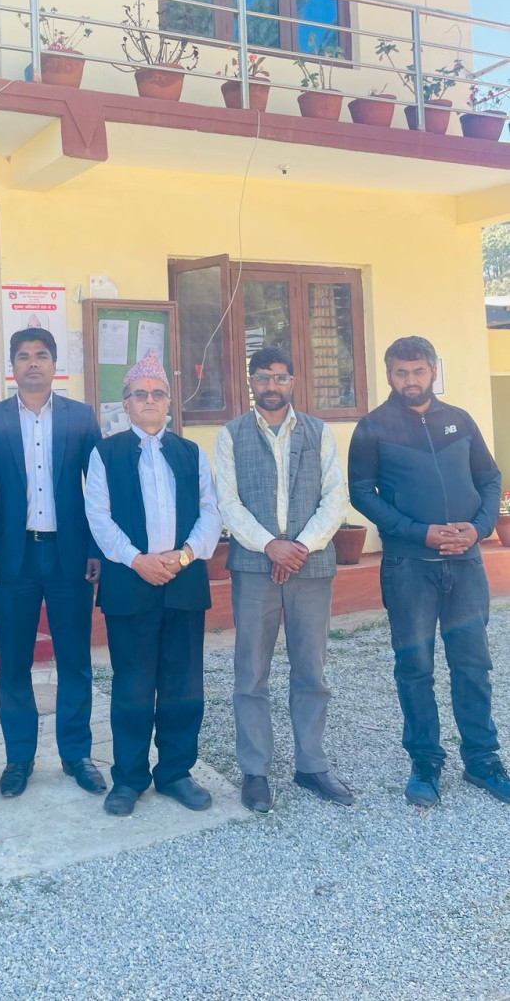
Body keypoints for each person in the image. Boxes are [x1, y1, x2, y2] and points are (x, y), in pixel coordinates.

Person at [348, 335, 510, 807]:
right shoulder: (372, 427)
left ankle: (482, 760)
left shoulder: (460, 420)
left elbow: (489, 478)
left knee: (473, 664)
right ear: (389, 374)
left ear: (433, 371)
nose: (411, 380)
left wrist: (478, 528)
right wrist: (420, 533)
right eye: (401, 373)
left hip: (466, 563)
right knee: (415, 668)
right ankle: (425, 762)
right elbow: (362, 493)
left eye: (418, 371)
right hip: (408, 567)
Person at [214, 346, 351, 814]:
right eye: (262, 377)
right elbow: (227, 502)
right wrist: (270, 545)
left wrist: (299, 548)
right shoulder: (230, 435)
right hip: (254, 567)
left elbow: (335, 497)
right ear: (250, 382)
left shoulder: (319, 431)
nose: (270, 386)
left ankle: (311, 764)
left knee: (310, 669)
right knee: (251, 672)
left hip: (310, 567)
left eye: (279, 377)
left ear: (292, 382)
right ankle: (255, 770)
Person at [84, 350, 222, 816]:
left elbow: (210, 513)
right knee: (132, 685)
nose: (149, 400)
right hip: (130, 582)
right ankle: (128, 778)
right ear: (125, 404)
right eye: (140, 394)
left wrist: (182, 557)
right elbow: (98, 517)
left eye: (158, 393)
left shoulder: (190, 453)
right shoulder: (105, 453)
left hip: (183, 581)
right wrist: (137, 560)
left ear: (169, 402)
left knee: (183, 683)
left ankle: (176, 773)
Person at [0, 328, 104, 798]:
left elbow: (99, 488)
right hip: (14, 557)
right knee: (14, 662)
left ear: (54, 365)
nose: (33, 363)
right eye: (24, 356)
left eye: (42, 355)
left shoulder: (80, 417)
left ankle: (77, 754)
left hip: (70, 555)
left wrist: (96, 549)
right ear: (12, 366)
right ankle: (18, 758)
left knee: (75, 660)